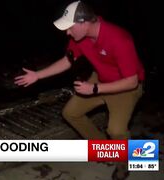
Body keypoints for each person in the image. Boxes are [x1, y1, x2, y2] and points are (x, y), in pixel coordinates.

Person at [14, 1, 144, 179]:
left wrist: (95, 88)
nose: (67, 32)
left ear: (84, 22)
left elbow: (132, 82)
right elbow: (68, 60)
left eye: (70, 28)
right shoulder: (80, 38)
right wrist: (38, 75)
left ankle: (124, 162)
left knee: (115, 130)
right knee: (70, 113)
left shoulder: (119, 38)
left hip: (124, 87)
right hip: (99, 79)